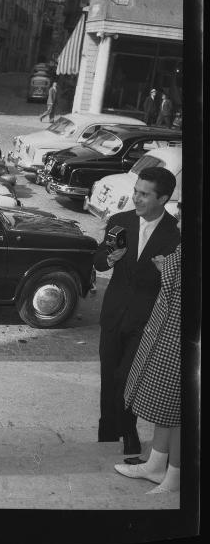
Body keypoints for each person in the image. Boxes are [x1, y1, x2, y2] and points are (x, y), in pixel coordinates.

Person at [94, 167, 180, 455]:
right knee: (109, 376)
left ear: (163, 198)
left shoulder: (176, 234)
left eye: (144, 194)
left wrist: (164, 269)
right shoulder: (120, 221)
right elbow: (98, 261)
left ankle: (128, 431)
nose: (136, 198)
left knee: (127, 378)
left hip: (146, 321)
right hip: (113, 314)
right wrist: (109, 257)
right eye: (136, 191)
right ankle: (107, 434)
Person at [114, 208, 181, 494]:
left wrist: (165, 268)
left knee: (178, 411)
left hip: (177, 332)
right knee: (166, 405)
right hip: (165, 328)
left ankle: (175, 477)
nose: (179, 215)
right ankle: (156, 464)